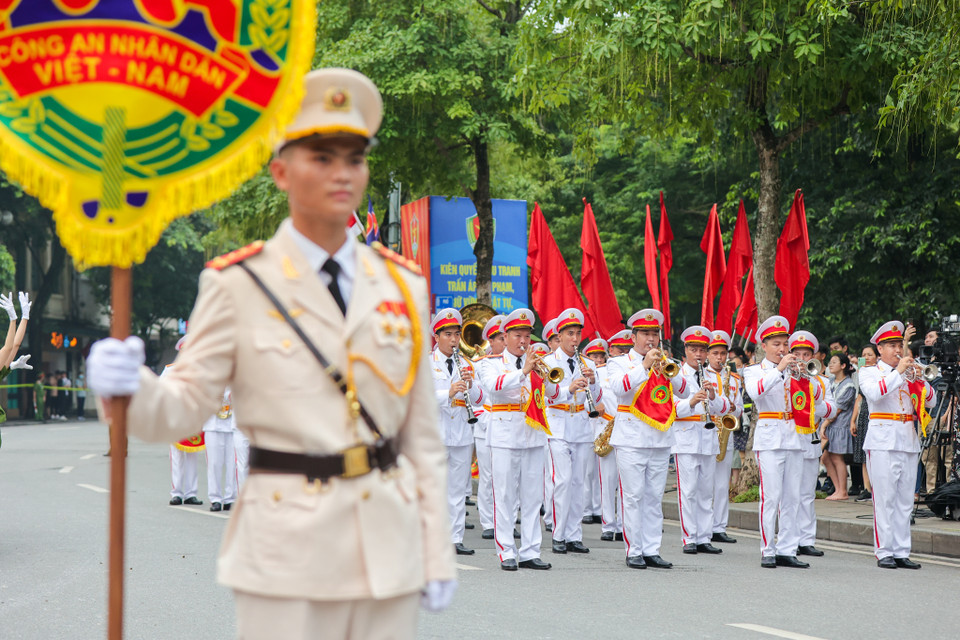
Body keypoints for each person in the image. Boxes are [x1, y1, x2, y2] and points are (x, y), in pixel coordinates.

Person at [87, 68, 457, 637]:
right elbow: (183, 408)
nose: (342, 173)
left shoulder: (402, 285)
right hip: (287, 548)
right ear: (280, 170)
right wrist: (129, 388)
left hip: (386, 543)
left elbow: (421, 437)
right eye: (322, 156)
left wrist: (433, 546)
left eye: (354, 158)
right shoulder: (239, 284)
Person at [606, 309, 690, 569]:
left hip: (660, 438)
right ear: (634, 337)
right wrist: (644, 366)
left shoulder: (666, 362)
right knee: (633, 496)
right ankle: (634, 550)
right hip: (631, 438)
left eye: (655, 334)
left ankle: (652, 549)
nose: (651, 339)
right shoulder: (619, 362)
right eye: (645, 334)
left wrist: (670, 370)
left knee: (654, 497)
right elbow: (620, 388)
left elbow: (686, 391)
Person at [478, 308, 560, 571]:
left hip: (533, 434)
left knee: (533, 497)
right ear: (505, 336)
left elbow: (555, 394)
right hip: (504, 435)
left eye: (526, 335)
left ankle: (530, 550)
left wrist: (546, 375)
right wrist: (524, 371)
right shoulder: (490, 363)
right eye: (517, 335)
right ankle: (506, 551)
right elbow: (494, 386)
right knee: (504, 495)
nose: (523, 341)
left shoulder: (537, 360)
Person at [743, 316, 827, 569]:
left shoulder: (795, 370)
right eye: (777, 344)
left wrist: (804, 376)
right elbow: (755, 393)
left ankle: (788, 549)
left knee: (792, 497)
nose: (782, 349)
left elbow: (816, 397)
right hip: (769, 439)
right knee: (771, 497)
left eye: (785, 344)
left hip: (795, 439)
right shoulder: (754, 370)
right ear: (764, 346)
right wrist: (779, 371)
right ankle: (767, 549)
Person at [860, 320, 936, 569]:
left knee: (905, 500)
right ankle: (884, 551)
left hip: (908, 440)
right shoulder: (870, 371)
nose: (896, 350)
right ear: (880, 349)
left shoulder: (908, 371)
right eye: (891, 346)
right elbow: (875, 394)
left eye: (898, 345)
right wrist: (899, 372)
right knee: (884, 499)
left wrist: (920, 379)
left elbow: (932, 402)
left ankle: (902, 551)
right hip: (882, 441)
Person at [542, 308, 601, 556]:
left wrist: (594, 382)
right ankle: (558, 533)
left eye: (577, 334)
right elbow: (548, 394)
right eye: (570, 334)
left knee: (579, 483)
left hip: (580, 426)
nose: (575, 339)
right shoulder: (547, 362)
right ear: (560, 335)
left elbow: (597, 399)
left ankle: (574, 535)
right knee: (563, 481)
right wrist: (569, 388)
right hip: (557, 426)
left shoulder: (586, 362)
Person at [429, 308, 484, 556]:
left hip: (461, 432)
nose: (454, 340)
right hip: (436, 434)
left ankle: (455, 538)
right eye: (448, 334)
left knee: (456, 490)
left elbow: (481, 398)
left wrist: (470, 385)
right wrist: (448, 393)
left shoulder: (467, 364)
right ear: (437, 336)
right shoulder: (426, 365)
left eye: (456, 334)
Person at [672, 326, 728, 555]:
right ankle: (689, 538)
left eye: (702, 350)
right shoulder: (675, 374)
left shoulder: (713, 375)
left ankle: (705, 537)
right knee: (689, 491)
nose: (698, 355)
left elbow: (725, 407)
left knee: (706, 491)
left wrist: (713, 396)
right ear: (685, 351)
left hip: (707, 438)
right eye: (693, 350)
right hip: (685, 439)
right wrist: (692, 402)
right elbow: (671, 409)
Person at [789, 331, 834, 558]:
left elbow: (833, 408)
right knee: (791, 494)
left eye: (806, 354)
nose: (802, 358)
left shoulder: (822, 381)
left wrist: (814, 409)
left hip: (811, 438)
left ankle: (806, 540)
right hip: (789, 440)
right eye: (797, 354)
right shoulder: (784, 378)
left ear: (813, 356)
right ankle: (790, 539)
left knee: (807, 493)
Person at [704, 330, 742, 545]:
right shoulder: (702, 375)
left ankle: (719, 526)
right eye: (715, 353)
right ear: (708, 354)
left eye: (723, 353)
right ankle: (705, 526)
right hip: (707, 432)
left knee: (721, 484)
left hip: (725, 433)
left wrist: (733, 409)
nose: (720, 358)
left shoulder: (734, 378)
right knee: (706, 484)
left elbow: (738, 410)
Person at [585, 338, 622, 541]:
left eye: (625, 350)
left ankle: (626, 525)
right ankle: (608, 525)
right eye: (618, 349)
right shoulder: (599, 373)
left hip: (630, 428)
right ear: (611, 350)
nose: (621, 353)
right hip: (606, 428)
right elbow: (589, 398)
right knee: (607, 481)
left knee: (628, 484)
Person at [474, 314, 505, 540]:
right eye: (500, 339)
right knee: (487, 476)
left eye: (506, 337)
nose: (504, 342)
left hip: (508, 427)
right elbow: (475, 400)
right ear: (491, 341)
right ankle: (488, 521)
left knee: (506, 477)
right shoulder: (480, 365)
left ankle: (505, 520)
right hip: (486, 424)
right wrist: (487, 420)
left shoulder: (515, 364)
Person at [165, 337, 204, 507]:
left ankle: (191, 493)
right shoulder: (170, 371)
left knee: (192, 458)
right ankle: (176, 493)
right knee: (176, 457)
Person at [822, 353, 857, 500]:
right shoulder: (830, 381)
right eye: (830, 362)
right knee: (825, 457)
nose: (830, 365)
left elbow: (837, 409)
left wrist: (824, 425)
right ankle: (838, 489)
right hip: (830, 425)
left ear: (843, 366)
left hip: (839, 425)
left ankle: (842, 490)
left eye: (834, 362)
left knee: (837, 458)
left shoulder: (848, 385)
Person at [850, 344, 879, 501]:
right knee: (863, 453)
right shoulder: (861, 374)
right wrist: (853, 420)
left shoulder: (882, 373)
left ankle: (876, 487)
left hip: (876, 415)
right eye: (864, 355)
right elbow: (859, 398)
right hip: (864, 414)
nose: (866, 358)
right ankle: (867, 488)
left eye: (870, 354)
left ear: (877, 356)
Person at [204, 388, 238, 512]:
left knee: (233, 464)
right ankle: (215, 498)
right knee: (214, 464)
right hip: (212, 424)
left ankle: (230, 498)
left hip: (233, 425)